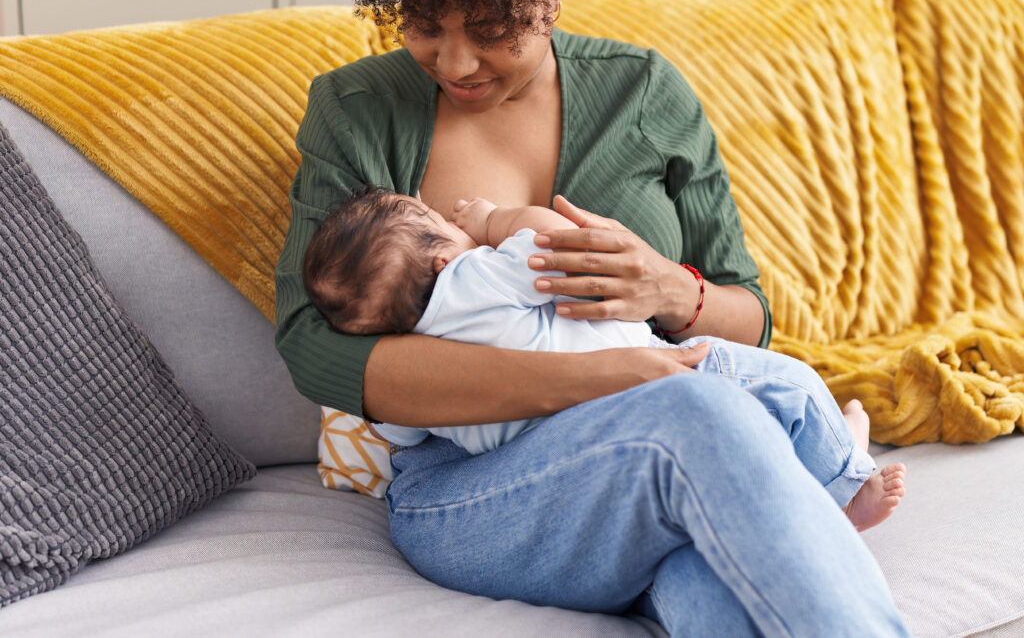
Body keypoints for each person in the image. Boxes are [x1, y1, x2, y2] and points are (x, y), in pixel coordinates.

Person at [274, 0, 913, 633]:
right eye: (423, 22)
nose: (455, 62)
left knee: (710, 588)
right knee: (693, 411)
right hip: (471, 495)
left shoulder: (646, 95)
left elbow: (753, 316)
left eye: (493, 28)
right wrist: (599, 375)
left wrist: (669, 292)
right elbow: (314, 348)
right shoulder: (355, 110)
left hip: (651, 465)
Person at [302, 186, 906, 533]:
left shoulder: (416, 359)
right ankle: (844, 483)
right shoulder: (471, 278)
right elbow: (554, 246)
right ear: (441, 261)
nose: (454, 226)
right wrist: (491, 221)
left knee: (744, 434)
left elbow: (398, 430)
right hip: (650, 377)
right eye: (438, 222)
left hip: (560, 458)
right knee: (789, 383)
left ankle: (809, 485)